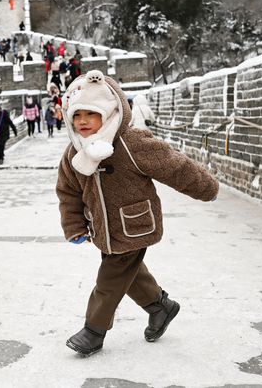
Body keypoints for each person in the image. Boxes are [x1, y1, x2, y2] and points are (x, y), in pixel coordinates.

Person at [55, 70, 219, 356]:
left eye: (90, 114)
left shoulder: (130, 143)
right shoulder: (73, 154)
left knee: (109, 280)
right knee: (128, 273)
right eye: (77, 115)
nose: (82, 121)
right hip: (104, 229)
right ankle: (161, 307)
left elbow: (173, 166)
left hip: (134, 224)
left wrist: (206, 188)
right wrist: (74, 226)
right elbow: (68, 192)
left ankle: (93, 331)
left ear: (109, 113)